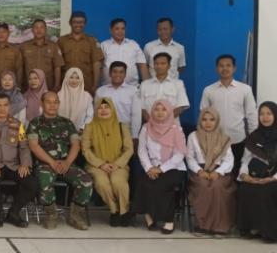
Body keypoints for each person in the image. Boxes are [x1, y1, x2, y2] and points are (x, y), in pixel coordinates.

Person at [27, 91, 93, 230]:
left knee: (86, 180)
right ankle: (50, 214)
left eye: (55, 102)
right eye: (48, 102)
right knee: (44, 180)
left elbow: (76, 144)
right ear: (42, 104)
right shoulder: (35, 123)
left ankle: (75, 215)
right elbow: (34, 146)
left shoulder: (67, 123)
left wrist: (68, 162)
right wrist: (52, 162)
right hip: (45, 164)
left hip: (66, 163)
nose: (52, 105)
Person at [0, 93, 38, 228]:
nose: (2, 108)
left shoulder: (18, 125)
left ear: (10, 107)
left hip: (13, 165)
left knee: (32, 184)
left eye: (5, 105)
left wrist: (24, 164)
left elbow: (24, 147)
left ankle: (14, 213)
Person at [133, 99, 186, 234]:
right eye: (157, 109)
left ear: (169, 112)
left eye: (164, 109)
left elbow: (179, 154)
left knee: (162, 184)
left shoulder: (176, 129)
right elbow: (142, 150)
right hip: (151, 166)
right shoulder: (146, 128)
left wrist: (161, 169)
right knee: (143, 182)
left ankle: (169, 220)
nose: (160, 113)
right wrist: (149, 168)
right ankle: (149, 216)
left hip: (174, 168)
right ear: (152, 112)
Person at [200, 54, 257, 175]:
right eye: (221, 66)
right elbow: (203, 116)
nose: (224, 68)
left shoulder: (245, 89)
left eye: (228, 65)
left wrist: (254, 141)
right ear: (216, 68)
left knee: (237, 176)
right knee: (218, 177)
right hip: (215, 143)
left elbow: (252, 117)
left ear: (234, 68)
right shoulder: (209, 90)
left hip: (238, 141)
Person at [81, 97, 133, 227]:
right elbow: (85, 150)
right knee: (102, 182)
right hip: (96, 165)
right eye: (100, 108)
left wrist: (117, 164)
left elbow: (129, 149)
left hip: (118, 164)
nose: (103, 110)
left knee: (118, 182)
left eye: (106, 107)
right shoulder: (90, 127)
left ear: (113, 109)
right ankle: (114, 210)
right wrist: (101, 164)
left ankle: (124, 212)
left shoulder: (122, 126)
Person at [186, 107, 236, 235]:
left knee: (217, 186)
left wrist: (218, 172)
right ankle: (202, 226)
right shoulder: (193, 136)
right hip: (199, 170)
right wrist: (199, 171)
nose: (208, 123)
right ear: (200, 121)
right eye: (204, 119)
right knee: (203, 186)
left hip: (219, 171)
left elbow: (229, 160)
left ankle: (220, 227)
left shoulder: (224, 138)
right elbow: (190, 158)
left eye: (212, 120)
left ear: (217, 121)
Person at [237, 101, 277, 242]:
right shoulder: (254, 137)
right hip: (256, 176)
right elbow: (245, 160)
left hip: (274, 179)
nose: (265, 117)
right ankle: (252, 228)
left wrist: (273, 178)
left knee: (268, 190)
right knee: (246, 188)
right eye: (262, 114)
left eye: (269, 114)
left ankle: (269, 232)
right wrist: (244, 175)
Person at [58, 11, 104, 95]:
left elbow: (96, 63)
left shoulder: (92, 41)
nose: (78, 24)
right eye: (75, 22)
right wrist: (57, 84)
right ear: (70, 23)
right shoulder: (62, 41)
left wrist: (95, 84)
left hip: (86, 86)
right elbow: (57, 64)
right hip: (66, 85)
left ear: (85, 23)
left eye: (81, 22)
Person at [95, 61, 142, 141]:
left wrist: (135, 136)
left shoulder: (133, 91)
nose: (118, 75)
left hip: (126, 133)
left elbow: (136, 115)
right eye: (115, 72)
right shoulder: (101, 91)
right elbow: (95, 114)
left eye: (121, 72)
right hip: (104, 132)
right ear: (110, 73)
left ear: (125, 74)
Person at [140, 52, 189, 121]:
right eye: (156, 64)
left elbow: (180, 106)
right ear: (153, 65)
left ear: (169, 66)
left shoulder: (178, 84)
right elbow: (142, 108)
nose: (159, 66)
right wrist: (152, 123)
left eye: (163, 63)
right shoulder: (144, 84)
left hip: (172, 127)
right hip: (150, 127)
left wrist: (165, 121)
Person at [101, 18, 149, 86]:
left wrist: (147, 87)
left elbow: (142, 66)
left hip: (132, 88)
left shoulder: (133, 45)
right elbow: (99, 67)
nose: (120, 31)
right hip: (109, 89)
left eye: (123, 28)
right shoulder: (104, 45)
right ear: (111, 30)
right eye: (117, 29)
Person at [20, 19, 64, 91]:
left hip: (48, 86)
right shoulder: (24, 46)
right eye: (36, 27)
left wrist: (57, 85)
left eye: (41, 27)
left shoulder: (53, 46)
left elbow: (57, 66)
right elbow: (20, 67)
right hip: (29, 87)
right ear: (32, 30)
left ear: (46, 30)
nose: (39, 30)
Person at [58, 68, 93, 132]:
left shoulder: (87, 96)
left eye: (77, 78)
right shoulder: (59, 95)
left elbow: (90, 115)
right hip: (61, 131)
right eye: (71, 77)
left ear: (81, 79)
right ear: (66, 78)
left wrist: (82, 128)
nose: (74, 80)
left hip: (81, 132)